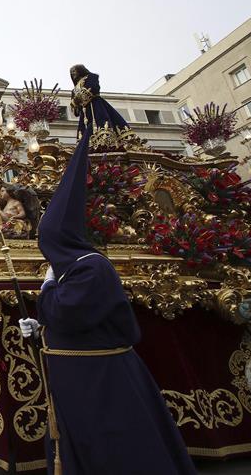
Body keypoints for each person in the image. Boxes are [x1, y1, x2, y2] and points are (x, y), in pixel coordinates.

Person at [19, 119, 195, 474]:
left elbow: (69, 314)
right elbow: (64, 322)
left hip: (102, 378)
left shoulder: (91, 267)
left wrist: (48, 287)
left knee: (114, 447)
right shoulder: (75, 269)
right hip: (80, 374)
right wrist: (37, 329)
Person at [69, 64, 129, 137]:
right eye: (71, 72)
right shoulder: (73, 91)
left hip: (95, 105)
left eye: (74, 71)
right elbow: (74, 109)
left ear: (80, 70)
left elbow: (93, 88)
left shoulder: (91, 77)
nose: (73, 73)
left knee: (101, 123)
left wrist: (78, 99)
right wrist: (75, 103)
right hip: (84, 114)